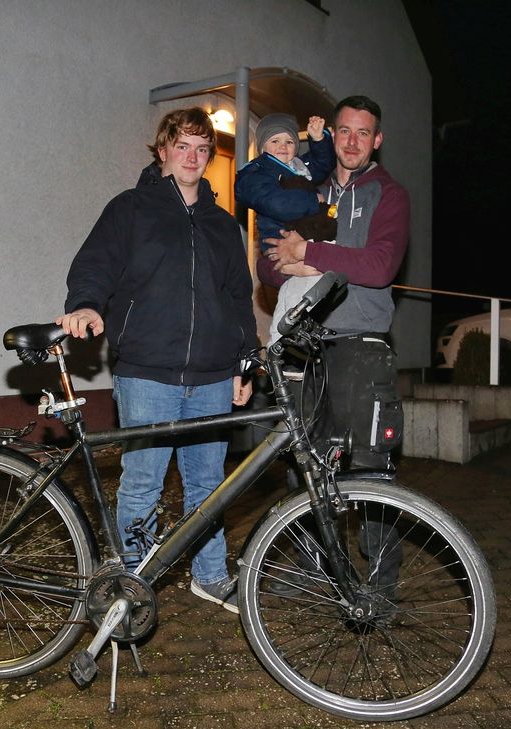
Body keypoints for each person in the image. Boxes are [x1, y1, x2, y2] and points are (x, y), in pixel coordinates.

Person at [56, 108, 257, 614]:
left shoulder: (223, 225)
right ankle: (134, 584)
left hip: (213, 374)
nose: (192, 157)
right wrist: (85, 302)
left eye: (201, 149)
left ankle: (210, 577)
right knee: (143, 480)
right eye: (182, 146)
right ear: (163, 151)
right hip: (146, 371)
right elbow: (94, 263)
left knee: (208, 485)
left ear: (208, 157)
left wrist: (244, 363)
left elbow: (238, 297)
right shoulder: (130, 209)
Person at [257, 95, 408, 602]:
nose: (350, 141)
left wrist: (313, 254)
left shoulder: (389, 195)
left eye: (362, 133)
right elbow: (267, 262)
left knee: (371, 477)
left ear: (376, 140)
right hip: (305, 349)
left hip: (360, 348)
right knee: (305, 471)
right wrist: (297, 261)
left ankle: (380, 591)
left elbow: (380, 265)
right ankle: (312, 577)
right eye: (343, 130)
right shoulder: (305, 187)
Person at [235, 113, 337, 344]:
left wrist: (319, 139)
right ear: (262, 146)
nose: (283, 146)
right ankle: (277, 340)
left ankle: (305, 330)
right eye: (275, 141)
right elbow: (277, 204)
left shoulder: (297, 167)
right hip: (279, 239)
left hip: (304, 237)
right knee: (293, 287)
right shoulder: (257, 171)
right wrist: (314, 202)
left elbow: (322, 164)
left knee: (312, 284)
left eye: (289, 142)